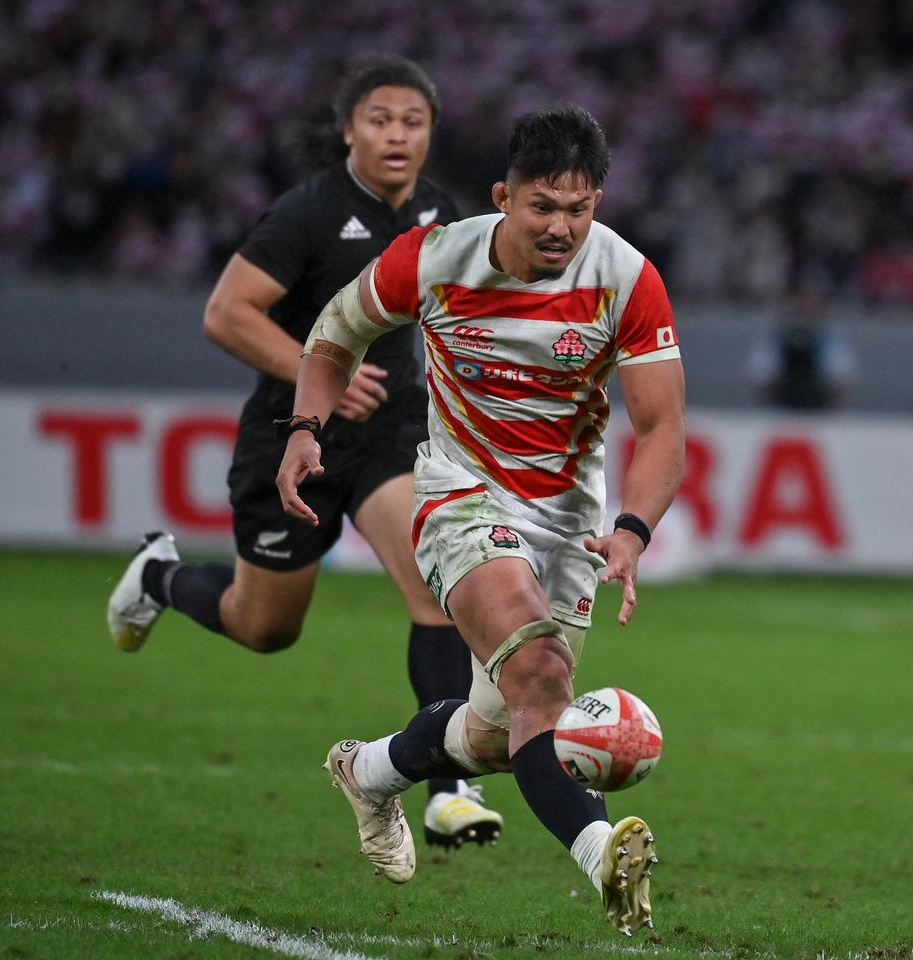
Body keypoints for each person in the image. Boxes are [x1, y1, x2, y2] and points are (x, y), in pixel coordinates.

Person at [276, 104, 685, 936]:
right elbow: (334, 334)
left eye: (579, 208)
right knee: (539, 673)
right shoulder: (433, 259)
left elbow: (661, 428)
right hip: (460, 497)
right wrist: (306, 427)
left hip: (568, 524)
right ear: (504, 197)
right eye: (543, 206)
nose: (561, 227)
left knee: (504, 733)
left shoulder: (626, 278)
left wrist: (632, 530)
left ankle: (371, 771)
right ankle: (603, 853)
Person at [105, 54, 503, 848]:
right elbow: (226, 313)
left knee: (438, 591)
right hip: (294, 437)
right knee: (263, 627)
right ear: (349, 130)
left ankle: (448, 790)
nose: (397, 135)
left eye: (413, 121)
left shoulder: (439, 212)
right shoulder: (308, 214)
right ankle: (159, 576)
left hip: (392, 435)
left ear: (431, 133)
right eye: (381, 120)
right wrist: (316, 375)